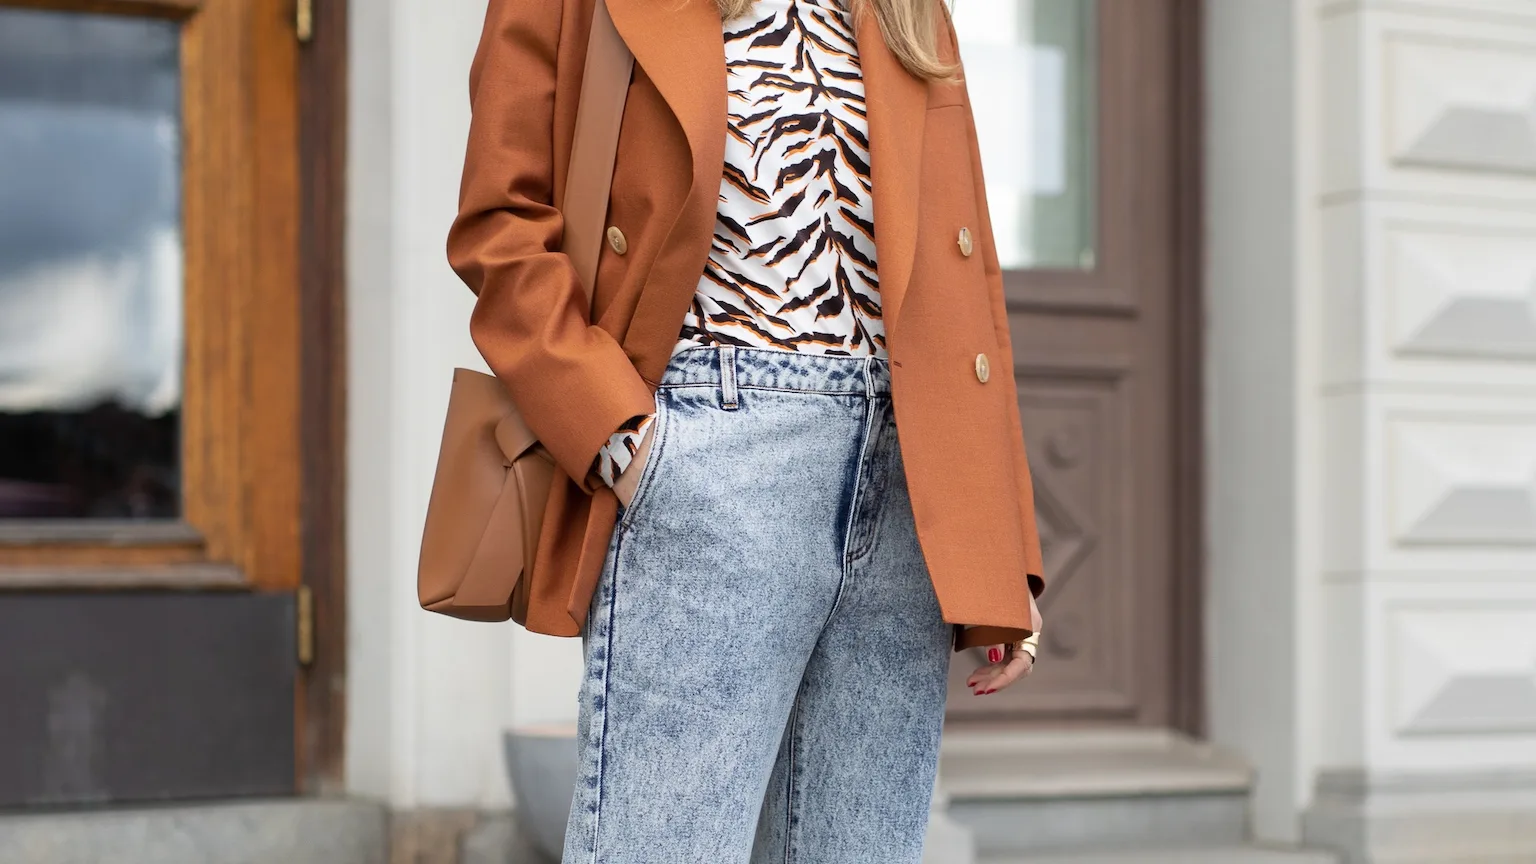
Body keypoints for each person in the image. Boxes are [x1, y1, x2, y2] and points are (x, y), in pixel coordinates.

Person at [448, 0, 1046, 860]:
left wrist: (998, 541)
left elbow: (965, 270)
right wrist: (622, 439)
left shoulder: (909, 9)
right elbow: (501, 222)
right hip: (710, 464)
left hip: (911, 494)